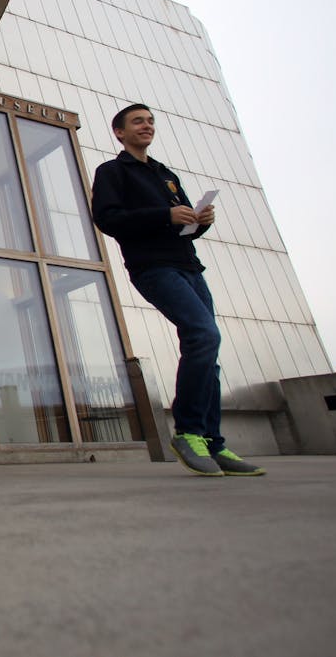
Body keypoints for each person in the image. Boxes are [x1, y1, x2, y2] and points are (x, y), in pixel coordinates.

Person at [90, 103, 265, 478]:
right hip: (153, 267)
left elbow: (181, 226)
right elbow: (107, 219)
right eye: (138, 121)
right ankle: (187, 432)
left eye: (150, 121)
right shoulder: (112, 171)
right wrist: (163, 215)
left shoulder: (166, 175)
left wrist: (200, 222)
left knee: (206, 348)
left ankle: (214, 444)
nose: (147, 126)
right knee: (203, 333)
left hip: (189, 266)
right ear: (119, 132)